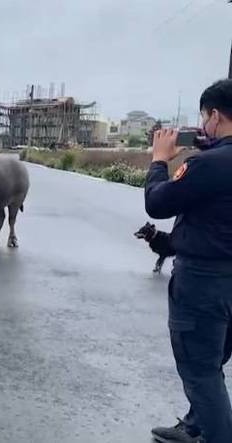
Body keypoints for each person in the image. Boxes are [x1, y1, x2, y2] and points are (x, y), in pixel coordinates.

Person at [146, 79, 232, 443]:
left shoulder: (210, 164)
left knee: (199, 371)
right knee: (212, 363)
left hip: (204, 281)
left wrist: (159, 160)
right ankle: (196, 426)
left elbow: (158, 203)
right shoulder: (216, 159)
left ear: (214, 115)